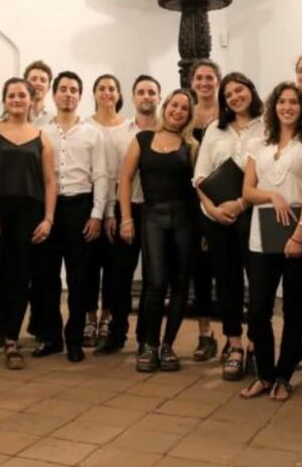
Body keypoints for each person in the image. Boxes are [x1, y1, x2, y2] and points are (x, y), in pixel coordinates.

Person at [240, 82, 302, 401]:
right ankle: (264, 374)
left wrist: (300, 234)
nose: (287, 107)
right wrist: (271, 195)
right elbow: (248, 191)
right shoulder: (257, 144)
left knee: (293, 307)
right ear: (273, 107)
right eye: (282, 101)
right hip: (262, 234)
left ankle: (284, 376)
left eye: (294, 102)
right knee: (259, 308)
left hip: (297, 234)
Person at [0, 78, 56, 370]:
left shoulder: (42, 137)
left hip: (28, 215)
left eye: (22, 95)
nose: (17, 100)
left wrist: (48, 219)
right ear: (4, 100)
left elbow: (49, 181)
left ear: (31, 99)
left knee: (18, 280)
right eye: (12, 95)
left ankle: (11, 341)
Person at [119, 89, 198, 373]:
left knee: (180, 285)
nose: (178, 111)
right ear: (165, 107)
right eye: (174, 105)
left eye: (184, 109)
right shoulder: (143, 139)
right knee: (155, 282)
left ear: (189, 116)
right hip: (152, 218)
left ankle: (167, 346)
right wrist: (126, 219)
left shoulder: (192, 145)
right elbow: (125, 179)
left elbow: (200, 186)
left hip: (186, 221)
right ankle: (149, 344)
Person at [192, 72, 264, 380]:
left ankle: (256, 343)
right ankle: (234, 344)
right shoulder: (214, 129)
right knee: (227, 282)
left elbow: (271, 170)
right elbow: (200, 175)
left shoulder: (268, 125)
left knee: (259, 283)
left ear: (251, 90)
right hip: (217, 217)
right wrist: (211, 209)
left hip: (254, 214)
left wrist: (242, 203)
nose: (235, 97)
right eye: (229, 94)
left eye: (240, 90)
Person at [33, 72, 108, 362]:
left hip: (80, 207)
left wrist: (97, 214)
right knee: (46, 277)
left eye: (73, 90)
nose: (68, 94)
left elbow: (101, 175)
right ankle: (51, 337)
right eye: (63, 89)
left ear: (80, 96)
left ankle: (74, 338)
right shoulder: (40, 130)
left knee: (79, 278)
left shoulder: (92, 133)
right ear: (54, 95)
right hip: (48, 209)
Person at [95, 75, 160, 355]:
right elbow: (113, 176)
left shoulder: (168, 131)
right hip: (127, 208)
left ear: (159, 97)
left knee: (154, 278)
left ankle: (146, 336)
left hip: (158, 212)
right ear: (132, 98)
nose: (146, 96)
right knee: (119, 275)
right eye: (141, 92)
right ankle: (116, 333)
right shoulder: (121, 133)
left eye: (151, 92)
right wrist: (114, 213)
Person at [84, 74, 126, 350]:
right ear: (94, 93)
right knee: (89, 263)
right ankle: (90, 317)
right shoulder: (85, 126)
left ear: (119, 94)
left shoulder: (127, 127)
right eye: (101, 88)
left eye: (112, 88)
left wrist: (112, 210)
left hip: (119, 202)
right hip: (90, 201)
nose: (107, 93)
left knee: (113, 266)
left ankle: (107, 317)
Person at [188, 59, 222, 361]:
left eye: (209, 77)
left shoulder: (227, 114)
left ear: (218, 81)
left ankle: (233, 337)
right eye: (199, 78)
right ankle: (205, 333)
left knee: (224, 268)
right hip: (189, 198)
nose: (204, 83)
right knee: (199, 269)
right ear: (192, 82)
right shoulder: (186, 114)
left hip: (221, 199)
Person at [25, 60, 54, 128]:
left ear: (49, 87)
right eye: (33, 79)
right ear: (24, 84)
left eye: (43, 80)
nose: (38, 83)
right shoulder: (15, 116)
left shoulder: (54, 120)